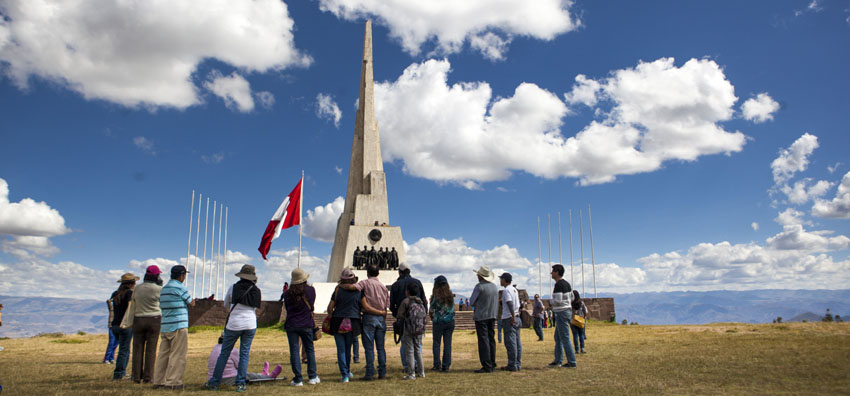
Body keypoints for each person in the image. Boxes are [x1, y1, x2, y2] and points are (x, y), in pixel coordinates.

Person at [205, 264, 262, 392]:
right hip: (250, 324)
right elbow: (255, 308)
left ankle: (214, 382)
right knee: (244, 354)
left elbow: (226, 304)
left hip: (234, 324)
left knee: (224, 353)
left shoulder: (234, 287)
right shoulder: (256, 290)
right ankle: (241, 383)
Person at [338, 263, 389, 381]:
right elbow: (386, 306)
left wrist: (341, 285)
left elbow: (352, 287)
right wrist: (382, 317)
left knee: (369, 347)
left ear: (367, 272)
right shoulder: (383, 287)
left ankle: (370, 373)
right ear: (378, 273)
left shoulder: (364, 283)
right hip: (381, 318)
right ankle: (382, 372)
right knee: (381, 348)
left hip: (369, 316)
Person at [152, 265, 194, 390]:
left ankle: (159, 380)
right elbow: (191, 302)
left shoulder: (164, 289)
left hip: (165, 325)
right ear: (182, 275)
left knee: (163, 355)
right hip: (178, 325)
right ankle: (173, 382)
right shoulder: (180, 287)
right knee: (177, 355)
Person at [283, 268, 320, 386]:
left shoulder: (287, 293)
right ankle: (312, 377)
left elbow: (288, 309)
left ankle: (298, 379)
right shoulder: (310, 291)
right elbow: (312, 305)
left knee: (294, 351)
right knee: (309, 349)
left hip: (291, 324)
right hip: (306, 324)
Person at [390, 262, 427, 373]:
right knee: (418, 344)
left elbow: (392, 305)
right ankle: (418, 368)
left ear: (399, 272)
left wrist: (398, 315)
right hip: (418, 319)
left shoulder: (396, 285)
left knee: (405, 343)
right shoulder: (418, 282)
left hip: (404, 319)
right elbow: (424, 301)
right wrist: (422, 316)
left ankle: (407, 366)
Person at [326, 268, 362, 383]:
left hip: (338, 322)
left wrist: (332, 315)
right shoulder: (358, 291)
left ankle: (344, 374)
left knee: (341, 349)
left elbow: (330, 308)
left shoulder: (337, 290)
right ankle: (347, 371)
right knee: (348, 349)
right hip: (353, 322)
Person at [132, 265, 163, 383]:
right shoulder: (158, 289)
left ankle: (136, 376)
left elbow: (133, 300)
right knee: (151, 349)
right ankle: (148, 377)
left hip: (138, 318)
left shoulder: (137, 288)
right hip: (154, 319)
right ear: (156, 276)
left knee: (137, 348)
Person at [208, 336, 283, 386]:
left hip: (212, 378)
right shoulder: (233, 350)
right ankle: (269, 377)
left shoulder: (215, 348)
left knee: (247, 374)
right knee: (248, 375)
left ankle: (263, 374)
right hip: (228, 379)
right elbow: (240, 366)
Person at [469, 265, 498, 373]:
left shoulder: (479, 287)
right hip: (492, 315)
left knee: (483, 341)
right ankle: (492, 362)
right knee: (491, 339)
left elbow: (472, 301)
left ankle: (486, 365)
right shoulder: (494, 286)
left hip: (481, 316)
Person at [547, 264, 577, 368]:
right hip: (567, 311)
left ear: (557, 273)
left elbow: (558, 300)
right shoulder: (567, 284)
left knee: (565, 337)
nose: (551, 273)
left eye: (553, 271)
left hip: (561, 312)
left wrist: (551, 302)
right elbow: (572, 297)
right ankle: (558, 360)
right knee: (558, 337)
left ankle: (572, 362)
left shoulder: (558, 285)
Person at [111, 273, 138, 380]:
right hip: (125, 325)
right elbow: (131, 308)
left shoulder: (115, 294)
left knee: (122, 349)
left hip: (115, 325)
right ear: (131, 283)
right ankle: (119, 374)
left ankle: (121, 372)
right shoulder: (129, 294)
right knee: (124, 350)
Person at [398, 283, 425, 380]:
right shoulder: (420, 301)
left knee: (409, 351)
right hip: (419, 329)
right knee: (418, 350)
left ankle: (411, 373)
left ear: (408, 292)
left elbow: (400, 315)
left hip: (408, 328)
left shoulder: (406, 301)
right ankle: (421, 372)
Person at [429, 276, 455, 372]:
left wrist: (432, 318)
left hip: (439, 322)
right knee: (447, 344)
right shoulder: (450, 295)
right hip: (450, 321)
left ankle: (437, 364)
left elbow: (431, 310)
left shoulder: (436, 296)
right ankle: (446, 365)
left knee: (436, 343)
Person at [499, 273, 522, 371]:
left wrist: (512, 316)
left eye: (501, 279)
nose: (500, 281)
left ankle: (512, 365)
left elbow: (509, 303)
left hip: (509, 318)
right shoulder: (514, 290)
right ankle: (517, 363)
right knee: (517, 342)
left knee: (510, 342)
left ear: (504, 280)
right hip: (516, 316)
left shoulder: (506, 290)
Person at [570, 290, 588, 354]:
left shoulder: (570, 303)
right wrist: (584, 318)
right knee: (582, 335)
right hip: (581, 320)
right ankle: (582, 348)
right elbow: (585, 311)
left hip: (573, 321)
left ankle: (577, 349)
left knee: (575, 335)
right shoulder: (581, 303)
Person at [103, 294, 117, 364]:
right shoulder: (112, 308)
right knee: (111, 342)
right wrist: (112, 299)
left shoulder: (120, 309)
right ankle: (106, 359)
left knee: (115, 343)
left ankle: (111, 358)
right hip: (111, 326)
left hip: (118, 326)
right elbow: (108, 301)